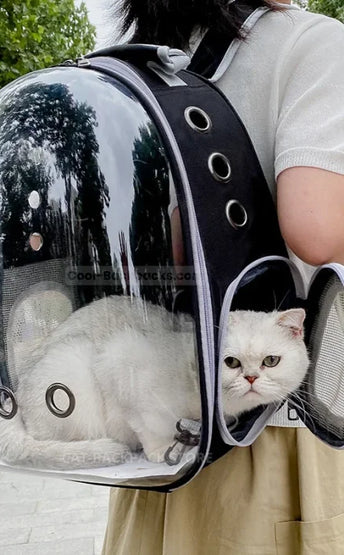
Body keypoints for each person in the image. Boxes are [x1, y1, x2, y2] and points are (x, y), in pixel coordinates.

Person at [102, 1, 344, 553]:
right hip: (278, 439)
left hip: (162, 436)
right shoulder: (310, 44)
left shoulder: (136, 64)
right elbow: (315, 228)